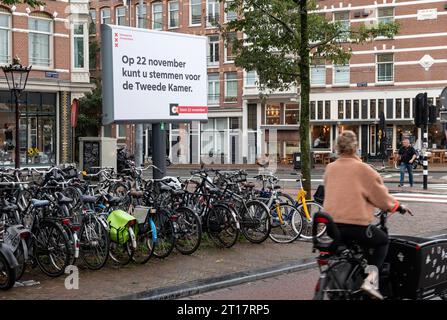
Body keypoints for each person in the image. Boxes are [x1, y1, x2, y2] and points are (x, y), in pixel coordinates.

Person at [323, 130, 411, 299]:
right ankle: (370, 283)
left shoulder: (330, 167)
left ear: (337, 148)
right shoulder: (363, 169)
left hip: (332, 226)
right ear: (355, 147)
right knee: (381, 242)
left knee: (353, 250)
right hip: (355, 226)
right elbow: (381, 197)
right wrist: (398, 207)